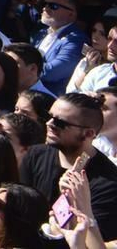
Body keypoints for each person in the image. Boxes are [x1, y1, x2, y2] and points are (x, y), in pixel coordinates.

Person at [18, 93, 117, 241]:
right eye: (49, 116)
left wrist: (71, 201)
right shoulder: (35, 154)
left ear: (88, 133)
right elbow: (18, 208)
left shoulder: (108, 184)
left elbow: (91, 241)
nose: (49, 124)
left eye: (60, 123)